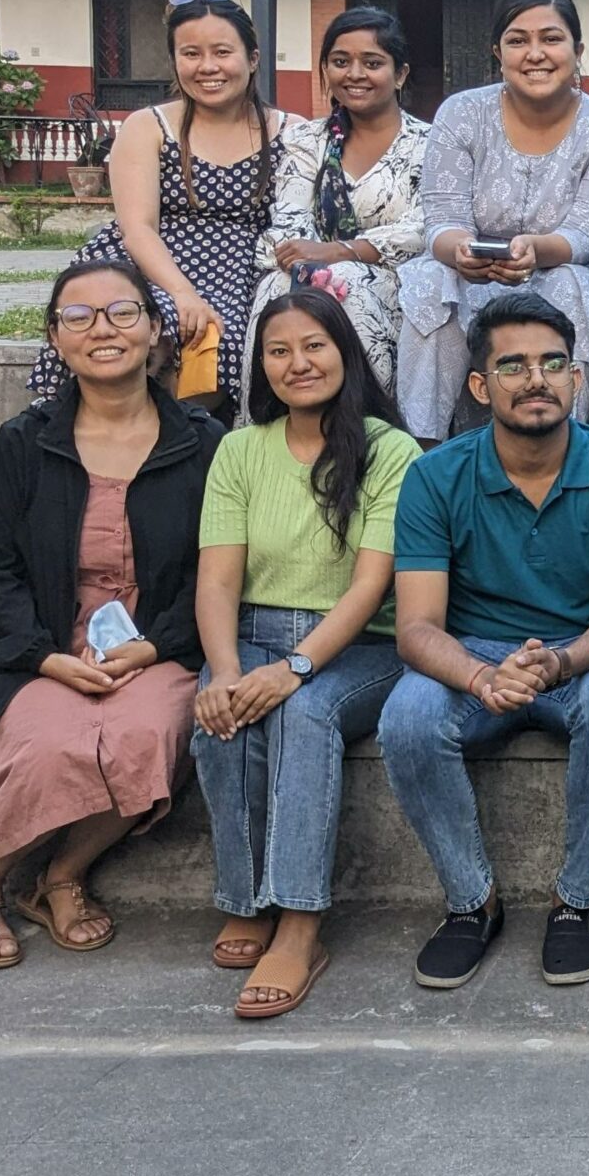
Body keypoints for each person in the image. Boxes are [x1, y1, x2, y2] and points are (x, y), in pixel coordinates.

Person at [0, 259, 224, 971]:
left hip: (156, 644)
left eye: (123, 312)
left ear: (155, 329)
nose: (103, 329)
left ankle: (61, 876)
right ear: (56, 339)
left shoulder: (201, 444)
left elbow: (218, 569)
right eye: (79, 316)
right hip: (40, 644)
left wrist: (159, 646)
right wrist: (42, 656)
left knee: (147, 734)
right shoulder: (23, 443)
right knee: (48, 742)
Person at [378, 293, 589, 990]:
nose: (535, 379)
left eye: (552, 363)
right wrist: (480, 677)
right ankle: (472, 901)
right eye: (513, 365)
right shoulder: (435, 475)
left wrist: (560, 662)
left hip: (583, 650)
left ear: (576, 378)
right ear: (480, 385)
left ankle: (577, 899)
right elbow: (415, 628)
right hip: (472, 653)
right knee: (407, 717)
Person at [191, 288, 420, 1019]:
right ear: (261, 366)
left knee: (306, 713)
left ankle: (298, 923)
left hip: (361, 645)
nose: (299, 363)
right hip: (252, 632)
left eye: (315, 346)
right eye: (279, 351)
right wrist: (226, 669)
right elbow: (219, 577)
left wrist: (296, 669)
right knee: (219, 716)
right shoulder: (239, 448)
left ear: (345, 352)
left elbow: (369, 586)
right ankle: (244, 898)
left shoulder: (390, 450)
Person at [32, 0, 299, 410]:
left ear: (252, 58)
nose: (207, 67)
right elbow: (138, 227)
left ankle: (190, 446)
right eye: (190, 53)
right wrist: (181, 292)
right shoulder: (149, 127)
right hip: (150, 257)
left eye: (222, 52)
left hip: (244, 264)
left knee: (220, 333)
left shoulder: (291, 133)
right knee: (125, 318)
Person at [395, 0, 589, 441]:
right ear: (497, 51)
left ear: (577, 50)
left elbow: (587, 232)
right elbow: (441, 217)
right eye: (518, 41)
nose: (535, 53)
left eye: (551, 39)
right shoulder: (462, 113)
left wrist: (535, 252)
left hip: (558, 268)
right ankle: (421, 445)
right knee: (433, 279)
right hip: (471, 273)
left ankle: (565, 441)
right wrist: (460, 252)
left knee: (569, 284)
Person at [242, 5, 432, 403]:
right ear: (326, 70)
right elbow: (288, 217)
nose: (355, 74)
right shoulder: (307, 141)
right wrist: (310, 263)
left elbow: (425, 227)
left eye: (373, 62)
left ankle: (371, 427)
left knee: (344, 283)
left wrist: (340, 253)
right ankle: (263, 423)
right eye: (340, 62)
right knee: (278, 287)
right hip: (306, 276)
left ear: (400, 74)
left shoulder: (430, 145)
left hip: (397, 284)